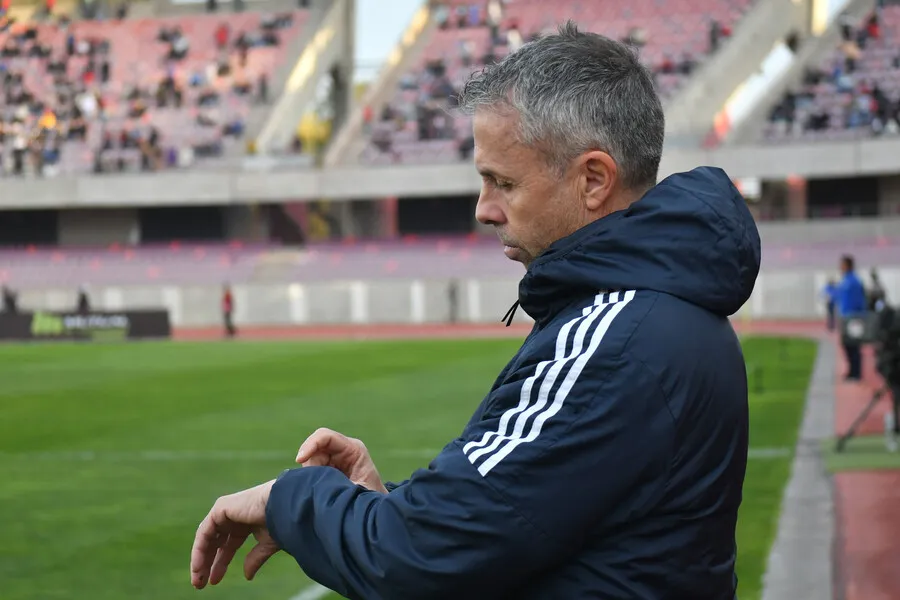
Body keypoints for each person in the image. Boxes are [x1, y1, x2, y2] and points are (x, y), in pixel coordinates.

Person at [190, 22, 761, 599]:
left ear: (593, 179)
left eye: (502, 182)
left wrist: (290, 498)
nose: (485, 209)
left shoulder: (616, 340)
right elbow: (540, 536)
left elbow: (418, 559)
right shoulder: (657, 314)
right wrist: (384, 508)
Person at [836, 254, 868, 380]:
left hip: (853, 317)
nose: (840, 267)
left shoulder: (853, 281)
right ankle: (852, 370)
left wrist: (858, 316)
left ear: (848, 265)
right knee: (847, 345)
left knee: (853, 345)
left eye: (842, 264)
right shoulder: (845, 281)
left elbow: (859, 301)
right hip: (846, 317)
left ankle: (856, 372)